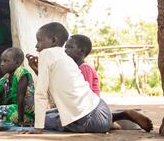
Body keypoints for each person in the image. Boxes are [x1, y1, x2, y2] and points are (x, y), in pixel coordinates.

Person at [24, 22, 153, 134]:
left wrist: (38, 128)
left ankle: (108, 125)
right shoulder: (67, 59)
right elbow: (58, 87)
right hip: (102, 109)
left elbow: (41, 94)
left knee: (43, 119)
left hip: (90, 122)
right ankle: (114, 121)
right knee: (51, 114)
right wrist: (38, 70)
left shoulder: (46, 53)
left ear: (53, 41)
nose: (36, 46)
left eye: (39, 40)